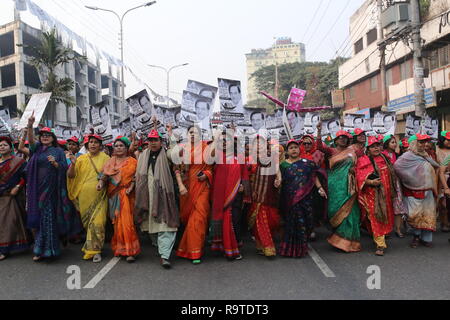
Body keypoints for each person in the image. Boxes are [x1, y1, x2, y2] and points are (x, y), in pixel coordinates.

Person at [26, 115, 81, 261]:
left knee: (48, 218)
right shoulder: (36, 149)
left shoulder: (58, 152)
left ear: (53, 138)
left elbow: (64, 168)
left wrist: (55, 164)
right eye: (43, 135)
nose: (44, 137)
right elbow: (30, 140)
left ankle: (47, 250)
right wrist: (30, 125)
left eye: (48, 136)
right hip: (36, 189)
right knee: (39, 219)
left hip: (51, 191)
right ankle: (40, 248)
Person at [135, 129, 180, 269]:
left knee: (166, 225)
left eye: (156, 140)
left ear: (161, 142)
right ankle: (160, 247)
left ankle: (164, 256)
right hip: (146, 196)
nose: (153, 143)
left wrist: (171, 136)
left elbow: (176, 155)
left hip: (164, 195)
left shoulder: (166, 154)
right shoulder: (143, 156)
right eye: (151, 140)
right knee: (150, 224)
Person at [168, 125, 213, 264]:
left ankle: (195, 252)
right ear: (187, 134)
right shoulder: (183, 149)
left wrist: (206, 175)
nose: (193, 134)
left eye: (196, 132)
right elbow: (176, 168)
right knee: (188, 218)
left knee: (199, 218)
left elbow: (211, 168)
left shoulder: (207, 147)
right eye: (191, 132)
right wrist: (180, 185)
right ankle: (186, 249)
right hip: (186, 188)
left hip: (202, 187)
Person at [317, 126, 361, 253]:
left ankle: (347, 242)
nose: (343, 140)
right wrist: (319, 131)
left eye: (345, 138)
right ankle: (338, 234)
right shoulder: (331, 151)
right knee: (334, 210)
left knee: (350, 212)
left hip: (349, 185)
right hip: (334, 185)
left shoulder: (353, 151)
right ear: (335, 140)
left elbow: (362, 162)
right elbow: (319, 147)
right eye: (340, 138)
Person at [279, 139, 326, 258]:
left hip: (306, 198)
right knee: (292, 223)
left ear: (300, 149)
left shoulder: (307, 163)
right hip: (290, 199)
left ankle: (302, 245)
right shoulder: (283, 165)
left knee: (307, 221)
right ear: (287, 151)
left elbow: (314, 177)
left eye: (295, 147)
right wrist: (277, 182)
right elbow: (279, 180)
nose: (294, 149)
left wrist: (320, 188)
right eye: (291, 148)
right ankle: (291, 248)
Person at [67, 134, 110, 263]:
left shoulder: (106, 158)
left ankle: (95, 251)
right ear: (86, 145)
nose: (92, 144)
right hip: (84, 196)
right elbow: (70, 176)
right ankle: (93, 246)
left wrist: (101, 182)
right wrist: (73, 164)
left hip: (100, 195)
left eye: (96, 142)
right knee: (88, 224)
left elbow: (107, 174)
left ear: (100, 145)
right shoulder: (80, 159)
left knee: (98, 222)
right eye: (90, 142)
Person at [209, 130, 250, 260]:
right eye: (223, 141)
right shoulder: (218, 156)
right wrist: (216, 139)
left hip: (236, 194)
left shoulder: (240, 158)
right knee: (220, 219)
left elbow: (244, 174)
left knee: (235, 220)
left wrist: (244, 186)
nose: (225, 143)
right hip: (219, 194)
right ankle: (220, 246)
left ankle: (233, 247)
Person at [394, 134, 441, 248]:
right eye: (421, 142)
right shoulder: (407, 156)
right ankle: (416, 236)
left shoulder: (426, 155)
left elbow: (436, 166)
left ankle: (426, 239)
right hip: (412, 190)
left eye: (425, 142)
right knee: (415, 214)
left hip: (428, 190)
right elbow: (397, 167)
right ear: (414, 143)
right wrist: (410, 179)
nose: (424, 144)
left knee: (428, 213)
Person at [356, 137, 400, 256]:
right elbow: (359, 177)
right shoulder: (363, 160)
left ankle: (379, 235)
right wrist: (371, 183)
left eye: (377, 145)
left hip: (386, 194)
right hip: (372, 194)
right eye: (373, 146)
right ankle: (380, 244)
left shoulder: (385, 158)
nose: (376, 148)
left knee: (386, 215)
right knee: (376, 216)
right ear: (368, 149)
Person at [102, 136, 140, 262]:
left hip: (127, 194)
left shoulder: (133, 161)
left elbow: (136, 177)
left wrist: (131, 187)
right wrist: (100, 183)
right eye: (116, 146)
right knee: (116, 224)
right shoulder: (109, 161)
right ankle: (119, 248)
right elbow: (104, 176)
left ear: (126, 147)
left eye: (121, 146)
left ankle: (130, 251)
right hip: (113, 195)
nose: (118, 148)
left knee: (127, 223)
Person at [247, 135, 282, 258]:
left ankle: (261, 245)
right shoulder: (249, 158)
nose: (258, 146)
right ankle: (267, 247)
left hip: (269, 192)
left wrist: (279, 178)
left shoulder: (271, 155)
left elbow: (277, 169)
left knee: (272, 220)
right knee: (259, 220)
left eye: (260, 143)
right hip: (256, 192)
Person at [0, 136, 29, 261]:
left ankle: (4, 250)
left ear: (10, 147)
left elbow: (26, 176)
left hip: (12, 195)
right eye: (0, 145)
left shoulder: (19, 162)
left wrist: (18, 186)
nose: (2, 147)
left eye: (4, 145)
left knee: (8, 222)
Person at [382, 134, 408, 237]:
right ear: (386, 144)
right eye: (392, 142)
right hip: (385, 183)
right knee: (386, 206)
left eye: (395, 142)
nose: (395, 144)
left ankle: (397, 229)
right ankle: (386, 230)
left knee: (398, 206)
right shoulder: (381, 156)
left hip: (397, 184)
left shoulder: (398, 155)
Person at [436, 131, 450, 232]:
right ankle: (444, 223)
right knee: (442, 202)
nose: (449, 142)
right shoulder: (436, 150)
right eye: (447, 140)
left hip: (449, 177)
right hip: (440, 177)